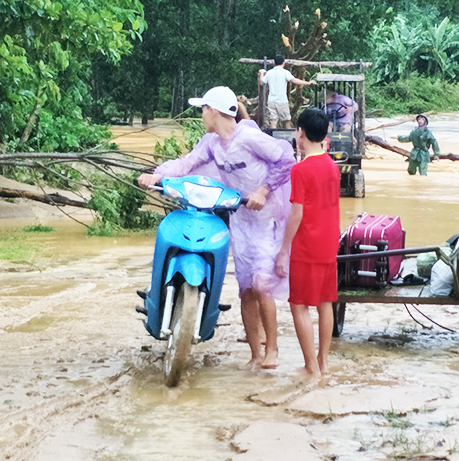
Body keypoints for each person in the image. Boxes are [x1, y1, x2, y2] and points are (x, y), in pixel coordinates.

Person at [138, 86, 296, 371]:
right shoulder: (211, 142)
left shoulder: (248, 137)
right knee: (246, 289)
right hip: (241, 219)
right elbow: (188, 163)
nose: (201, 115)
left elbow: (285, 159)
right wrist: (157, 174)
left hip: (267, 219)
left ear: (213, 111)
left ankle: (272, 349)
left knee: (262, 285)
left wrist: (263, 190)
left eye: (203, 110)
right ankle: (255, 355)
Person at [275, 108, 340, 377]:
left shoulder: (300, 170)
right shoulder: (333, 166)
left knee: (299, 304)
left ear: (300, 133)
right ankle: (323, 362)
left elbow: (297, 213)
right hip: (328, 243)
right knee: (325, 302)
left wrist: (283, 250)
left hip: (306, 245)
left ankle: (310, 366)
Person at [258, 54, 316, 129]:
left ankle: (273, 138)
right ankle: (288, 137)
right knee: (287, 120)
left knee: (273, 120)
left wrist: (262, 73)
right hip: (282, 100)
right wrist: (308, 82)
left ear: (274, 63)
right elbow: (295, 81)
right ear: (283, 62)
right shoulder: (285, 72)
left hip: (271, 100)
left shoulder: (269, 73)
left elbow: (261, 82)